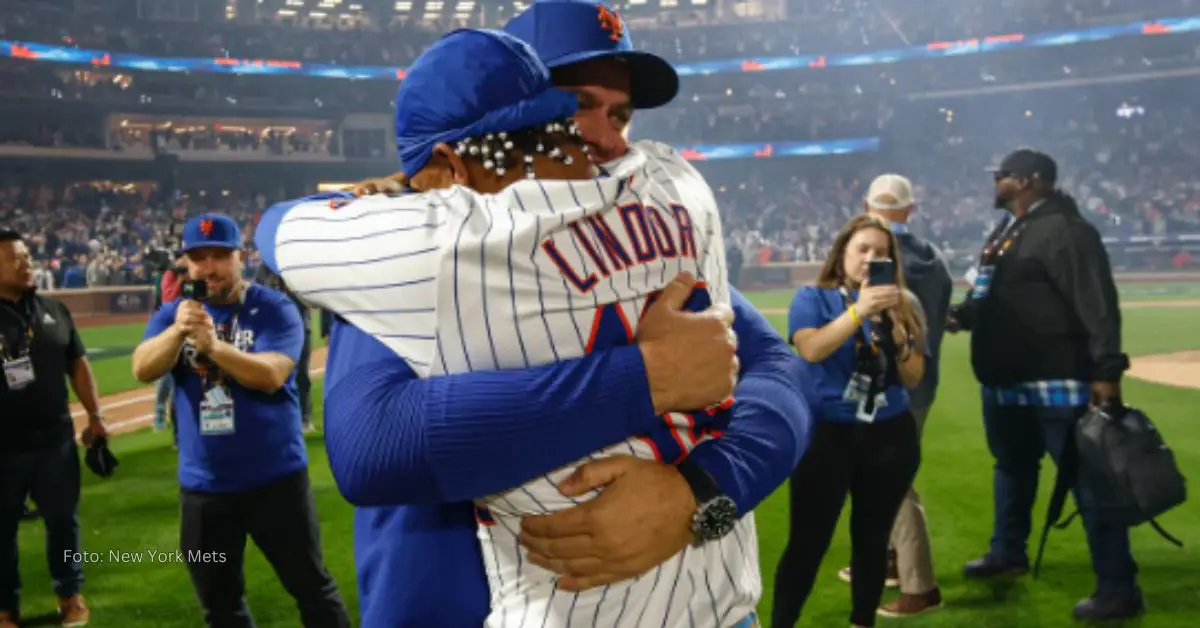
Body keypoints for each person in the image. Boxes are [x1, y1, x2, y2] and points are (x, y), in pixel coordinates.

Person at [255, 21, 811, 628]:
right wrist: (644, 377)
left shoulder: (639, 230)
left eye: (620, 116)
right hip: (449, 600)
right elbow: (374, 445)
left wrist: (701, 491)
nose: (602, 140)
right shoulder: (430, 249)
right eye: (573, 111)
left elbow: (777, 372)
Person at [130, 214, 350, 628]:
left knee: (311, 588)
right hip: (205, 489)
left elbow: (270, 375)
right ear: (186, 264)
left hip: (275, 482)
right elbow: (142, 368)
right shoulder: (175, 314)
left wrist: (212, 346)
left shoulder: (273, 307)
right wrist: (178, 333)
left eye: (220, 256)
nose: (209, 268)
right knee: (221, 604)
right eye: (199, 258)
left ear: (240, 257)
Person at [947, 148, 1140, 620]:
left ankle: (1118, 587)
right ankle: (1007, 551)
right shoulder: (1008, 231)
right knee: (1011, 466)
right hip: (1007, 379)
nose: (997, 181)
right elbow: (986, 290)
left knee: (1087, 480)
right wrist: (961, 315)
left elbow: (1098, 304)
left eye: (1005, 176)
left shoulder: (1067, 231)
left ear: (1031, 180)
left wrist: (1106, 371)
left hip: (1058, 377)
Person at [773, 214, 927, 628]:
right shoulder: (812, 298)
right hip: (828, 435)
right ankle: (782, 622)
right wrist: (859, 312)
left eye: (881, 253)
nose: (870, 258)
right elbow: (811, 350)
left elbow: (913, 378)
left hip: (889, 433)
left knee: (873, 540)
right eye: (863, 249)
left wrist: (899, 332)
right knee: (808, 541)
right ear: (842, 256)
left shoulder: (903, 306)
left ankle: (863, 621)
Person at [837, 174, 951, 617]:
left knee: (887, 481)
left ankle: (919, 585)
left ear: (867, 205)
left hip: (879, 383)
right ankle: (887, 561)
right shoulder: (935, 259)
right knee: (885, 471)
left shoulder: (872, 257)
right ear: (911, 209)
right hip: (920, 379)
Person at [0, 229, 106, 628]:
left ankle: (70, 595)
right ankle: (5, 607)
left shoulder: (55, 310)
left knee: (63, 521)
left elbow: (78, 364)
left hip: (55, 441)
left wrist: (96, 416)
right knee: (2, 531)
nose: (27, 263)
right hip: (2, 446)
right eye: (15, 257)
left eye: (28, 255)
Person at [253, 264, 315, 432]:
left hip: (300, 326)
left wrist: (292, 290)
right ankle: (274, 418)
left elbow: (311, 300)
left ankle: (304, 417)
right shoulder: (263, 269)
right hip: (270, 330)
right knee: (269, 374)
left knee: (301, 373)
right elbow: (255, 295)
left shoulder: (294, 265)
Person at [154, 254, 186, 442]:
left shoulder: (193, 274)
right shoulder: (170, 275)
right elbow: (168, 299)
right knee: (165, 376)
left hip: (188, 328)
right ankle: (159, 415)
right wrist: (181, 280)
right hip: (169, 328)